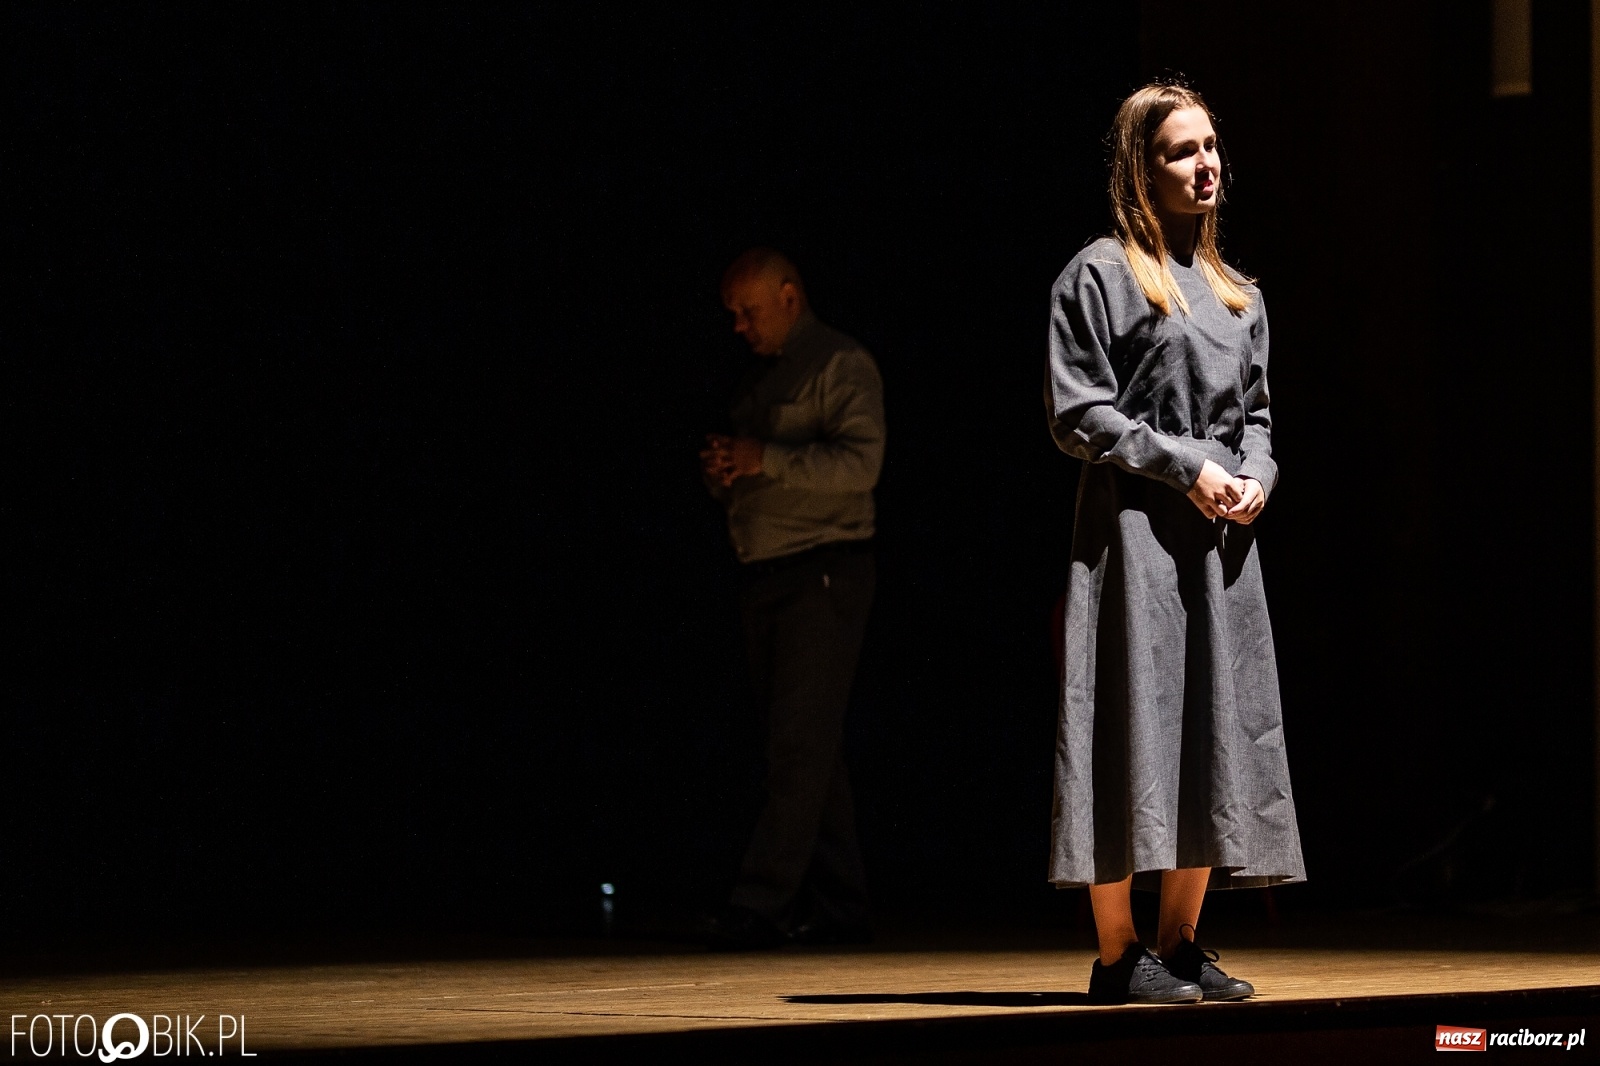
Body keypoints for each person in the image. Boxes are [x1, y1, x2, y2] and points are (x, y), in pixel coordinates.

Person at [1045, 83, 1305, 1004]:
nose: (1207, 164)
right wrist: (1187, 465)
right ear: (1140, 168)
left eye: (1211, 148)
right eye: (1182, 151)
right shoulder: (1101, 275)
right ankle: (1119, 957)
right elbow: (1080, 412)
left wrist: (1255, 480)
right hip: (1134, 541)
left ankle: (1182, 943)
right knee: (1129, 725)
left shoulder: (1239, 296)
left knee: (1209, 730)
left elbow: (1262, 420)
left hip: (1220, 549)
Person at [699, 248, 886, 949]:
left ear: (787, 295)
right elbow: (750, 470)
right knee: (812, 748)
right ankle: (842, 905)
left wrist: (763, 458)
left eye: (748, 311)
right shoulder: (764, 377)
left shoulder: (841, 365)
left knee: (796, 746)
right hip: (770, 573)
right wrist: (725, 470)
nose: (739, 326)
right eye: (732, 316)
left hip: (823, 575)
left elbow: (861, 466)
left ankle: (760, 904)